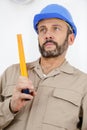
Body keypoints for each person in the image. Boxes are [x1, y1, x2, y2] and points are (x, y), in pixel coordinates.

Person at [0, 3, 87, 130]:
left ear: (71, 39)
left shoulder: (83, 84)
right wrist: (10, 107)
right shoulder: (11, 73)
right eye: (43, 29)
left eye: (56, 28)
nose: (48, 35)